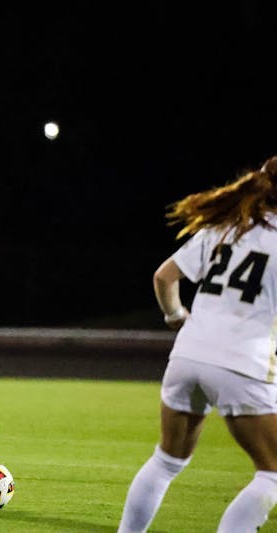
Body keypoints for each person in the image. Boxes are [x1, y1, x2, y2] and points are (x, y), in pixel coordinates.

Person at [118, 155, 277, 532]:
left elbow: (164, 277)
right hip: (243, 363)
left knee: (166, 461)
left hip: (188, 354)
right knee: (272, 474)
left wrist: (175, 317)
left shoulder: (226, 227)